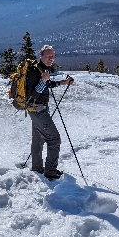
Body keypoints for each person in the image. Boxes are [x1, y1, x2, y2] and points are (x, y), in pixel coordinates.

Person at [25, 45, 74, 180]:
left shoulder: (42, 69)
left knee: (38, 139)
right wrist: (43, 80)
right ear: (41, 56)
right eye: (48, 56)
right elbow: (33, 94)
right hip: (38, 110)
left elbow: (48, 84)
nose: (51, 59)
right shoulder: (34, 71)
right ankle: (50, 172)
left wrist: (63, 83)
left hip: (35, 110)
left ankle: (37, 167)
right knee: (54, 139)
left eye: (53, 56)